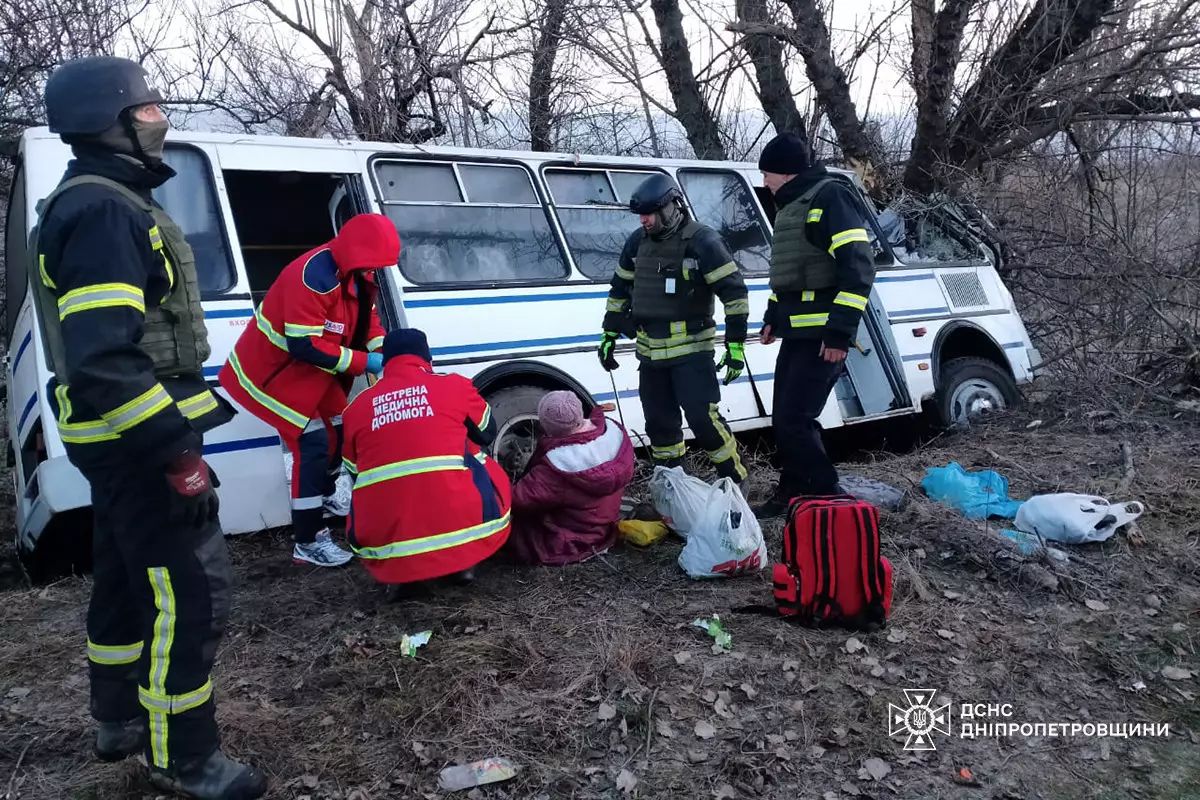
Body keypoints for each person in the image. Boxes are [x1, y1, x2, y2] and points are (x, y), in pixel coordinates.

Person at [33, 56, 265, 798]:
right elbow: (106, 359)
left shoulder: (90, 201)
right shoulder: (105, 211)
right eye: (148, 106)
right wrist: (175, 453)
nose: (159, 117)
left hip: (114, 445)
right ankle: (184, 757)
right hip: (140, 445)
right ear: (114, 119)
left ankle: (119, 719)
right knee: (189, 596)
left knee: (125, 581)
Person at [218, 213, 395, 567]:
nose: (376, 268)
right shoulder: (313, 278)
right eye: (373, 262)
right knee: (313, 444)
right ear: (356, 253)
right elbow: (305, 345)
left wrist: (381, 348)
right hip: (272, 374)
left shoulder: (359, 273)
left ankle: (325, 494)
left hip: (311, 374)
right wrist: (367, 363)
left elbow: (366, 321)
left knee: (341, 434)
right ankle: (308, 540)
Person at [754, 131, 876, 518]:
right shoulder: (790, 207)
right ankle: (792, 489)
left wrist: (840, 332)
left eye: (767, 174)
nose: (764, 183)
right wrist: (773, 318)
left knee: (796, 419)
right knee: (784, 418)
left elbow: (858, 269)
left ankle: (828, 495)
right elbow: (789, 276)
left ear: (786, 173)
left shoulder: (830, 198)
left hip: (825, 335)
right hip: (797, 333)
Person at [599, 174, 750, 485]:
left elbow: (734, 294)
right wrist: (609, 335)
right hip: (650, 355)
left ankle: (735, 480)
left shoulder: (703, 241)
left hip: (692, 352)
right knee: (659, 425)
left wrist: (735, 346)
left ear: (670, 207)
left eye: (649, 213)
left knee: (702, 419)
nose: (644, 220)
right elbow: (619, 289)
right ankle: (673, 488)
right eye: (641, 215)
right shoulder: (636, 243)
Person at [340, 328, 511, 585]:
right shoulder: (453, 385)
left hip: (383, 541)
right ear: (427, 358)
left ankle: (401, 578)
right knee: (475, 455)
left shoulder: (356, 408)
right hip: (466, 530)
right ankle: (463, 565)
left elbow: (354, 469)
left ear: (385, 362)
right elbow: (487, 433)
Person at [508, 391, 635, 566]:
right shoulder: (614, 432)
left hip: (573, 540)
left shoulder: (557, 467)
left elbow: (515, 500)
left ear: (548, 428)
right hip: (605, 523)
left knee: (516, 532)